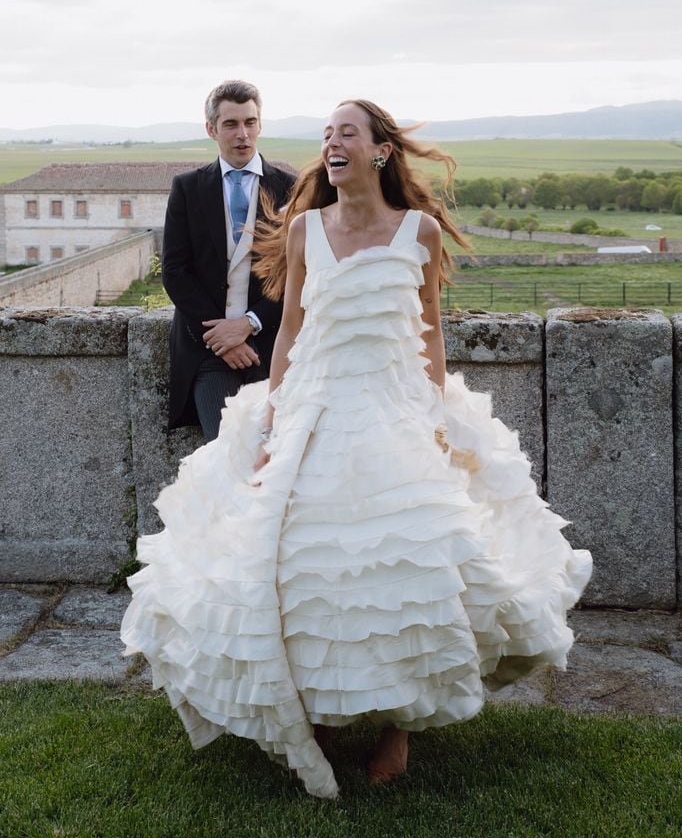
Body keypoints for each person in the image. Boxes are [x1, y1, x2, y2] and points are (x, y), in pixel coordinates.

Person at [122, 99, 592, 799]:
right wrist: (276, 412)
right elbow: (289, 333)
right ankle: (325, 707)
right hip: (317, 399)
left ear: (379, 151)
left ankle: (399, 723)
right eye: (326, 136)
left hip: (393, 402)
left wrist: (435, 416)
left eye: (348, 134)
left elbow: (429, 333)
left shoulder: (420, 232)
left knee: (407, 568)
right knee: (308, 564)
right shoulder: (305, 228)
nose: (332, 144)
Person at [161, 79, 296, 439]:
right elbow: (175, 271)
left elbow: (299, 272)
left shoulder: (292, 188)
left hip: (273, 347)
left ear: (260, 125)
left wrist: (249, 324)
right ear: (211, 129)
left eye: (250, 123)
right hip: (208, 351)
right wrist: (223, 335)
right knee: (226, 453)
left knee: (276, 454)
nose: (242, 135)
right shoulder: (187, 188)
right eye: (231, 124)